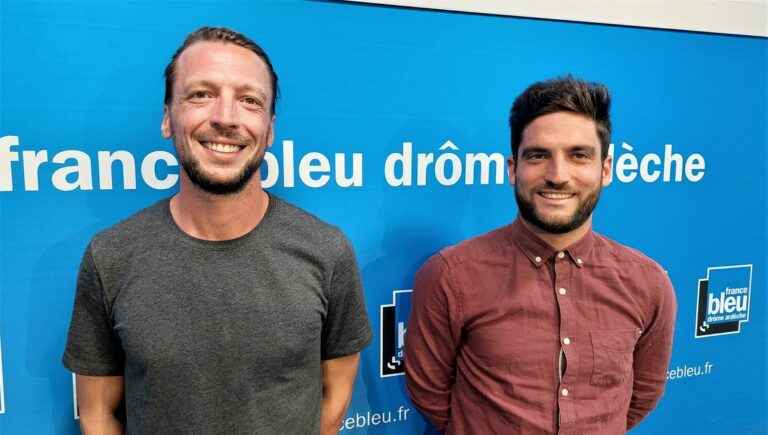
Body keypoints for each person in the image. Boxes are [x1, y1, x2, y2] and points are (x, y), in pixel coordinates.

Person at [62, 27, 371, 435]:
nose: (226, 118)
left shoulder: (327, 251)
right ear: (167, 118)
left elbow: (336, 391)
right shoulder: (111, 256)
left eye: (249, 101)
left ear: (270, 128)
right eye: (201, 95)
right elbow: (97, 413)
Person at [405, 76, 676, 434]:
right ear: (513, 167)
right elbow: (430, 394)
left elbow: (642, 394)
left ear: (606, 170)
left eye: (579, 155)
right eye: (538, 156)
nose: (558, 175)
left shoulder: (649, 283)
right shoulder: (450, 276)